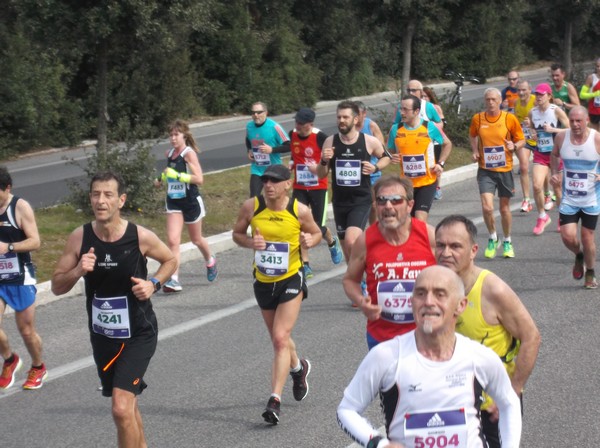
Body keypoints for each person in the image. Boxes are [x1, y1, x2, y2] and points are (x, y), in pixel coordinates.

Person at [51, 171, 177, 448]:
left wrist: (153, 284)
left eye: (108, 195)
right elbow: (56, 286)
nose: (101, 200)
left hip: (138, 333)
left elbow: (170, 260)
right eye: (96, 194)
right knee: (127, 406)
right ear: (90, 199)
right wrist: (76, 271)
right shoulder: (80, 237)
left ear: (121, 200)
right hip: (104, 337)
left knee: (120, 408)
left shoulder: (138, 236)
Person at [337, 265, 522, 448]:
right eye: (420, 293)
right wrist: (379, 444)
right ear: (411, 302)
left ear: (461, 305)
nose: (428, 301)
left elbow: (509, 402)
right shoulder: (387, 356)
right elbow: (347, 410)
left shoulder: (478, 357)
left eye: (440, 294)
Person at [435, 214, 541, 448]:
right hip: (450, 405)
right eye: (440, 245)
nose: (446, 252)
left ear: (473, 250)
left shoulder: (493, 289)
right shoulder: (433, 286)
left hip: (491, 408)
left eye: (455, 246)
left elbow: (531, 336)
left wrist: (511, 393)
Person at [231, 164, 322, 425]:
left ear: (287, 184)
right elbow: (236, 234)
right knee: (279, 338)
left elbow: (315, 232)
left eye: (274, 181)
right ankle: (298, 368)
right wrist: (250, 242)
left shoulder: (299, 210)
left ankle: (274, 400)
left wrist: (310, 241)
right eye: (265, 181)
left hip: (290, 279)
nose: (268, 185)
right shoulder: (252, 207)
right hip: (263, 281)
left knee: (281, 338)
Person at [342, 175, 436, 350]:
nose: (388, 206)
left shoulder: (429, 236)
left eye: (396, 200)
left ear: (410, 205)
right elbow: (350, 280)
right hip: (382, 337)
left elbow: (455, 277)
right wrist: (361, 301)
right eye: (381, 200)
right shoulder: (365, 240)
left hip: (426, 335)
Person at [316, 100, 387, 264]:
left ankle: (365, 270)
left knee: (351, 241)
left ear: (355, 120)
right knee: (347, 248)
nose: (341, 120)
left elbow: (386, 157)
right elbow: (321, 174)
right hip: (340, 202)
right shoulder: (330, 142)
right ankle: (358, 276)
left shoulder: (368, 141)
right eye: (339, 117)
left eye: (345, 117)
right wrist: (324, 161)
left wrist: (375, 168)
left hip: (361, 199)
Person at [155, 119, 217, 293]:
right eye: (171, 135)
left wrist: (179, 176)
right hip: (174, 200)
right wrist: (161, 179)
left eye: (176, 134)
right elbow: (169, 172)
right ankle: (173, 279)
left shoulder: (188, 153)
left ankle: (210, 260)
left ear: (184, 135)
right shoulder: (169, 153)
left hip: (190, 201)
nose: (173, 138)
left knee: (196, 239)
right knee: (173, 241)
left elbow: (199, 179)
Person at [0, 167, 46, 390]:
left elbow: (35, 242)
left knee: (26, 330)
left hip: (20, 276)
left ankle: (38, 366)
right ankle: (9, 359)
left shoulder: (19, 207)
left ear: (7, 188)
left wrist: (7, 247)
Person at [470, 88, 525, 259]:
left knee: (504, 209)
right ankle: (493, 237)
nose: (490, 102)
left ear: (500, 101)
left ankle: (507, 240)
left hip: (505, 169)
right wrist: (474, 151)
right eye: (487, 99)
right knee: (487, 207)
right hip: (486, 170)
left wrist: (514, 146)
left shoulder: (509, 118)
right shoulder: (478, 119)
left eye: (494, 99)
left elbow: (521, 139)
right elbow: (472, 135)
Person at [288, 107, 343, 278]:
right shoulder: (293, 135)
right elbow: (293, 152)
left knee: (316, 227)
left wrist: (320, 166)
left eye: (301, 123)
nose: (297, 125)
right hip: (299, 186)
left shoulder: (321, 137)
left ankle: (332, 242)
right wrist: (291, 163)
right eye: (296, 122)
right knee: (299, 225)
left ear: (310, 124)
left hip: (318, 187)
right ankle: (305, 265)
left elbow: (332, 156)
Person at [551, 106, 600, 289]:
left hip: (591, 199)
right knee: (567, 237)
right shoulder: (562, 137)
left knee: (588, 238)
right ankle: (579, 255)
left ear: (587, 120)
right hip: (569, 199)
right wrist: (555, 172)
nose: (575, 124)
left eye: (579, 120)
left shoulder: (596, 139)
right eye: (572, 121)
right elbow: (554, 154)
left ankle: (591, 272)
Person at [387, 95, 452, 223]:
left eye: (406, 109)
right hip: (406, 184)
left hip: (427, 182)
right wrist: (392, 157)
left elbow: (447, 144)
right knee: (406, 221)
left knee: (420, 219)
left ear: (416, 111)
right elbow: (390, 151)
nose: (402, 112)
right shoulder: (395, 129)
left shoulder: (430, 127)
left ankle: (425, 242)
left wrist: (441, 163)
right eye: (401, 109)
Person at [528, 83, 569, 235]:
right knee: (537, 185)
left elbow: (571, 128)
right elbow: (532, 127)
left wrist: (554, 130)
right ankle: (542, 216)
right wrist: (533, 133)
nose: (538, 97)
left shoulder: (556, 111)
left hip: (557, 154)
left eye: (541, 94)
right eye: (536, 94)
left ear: (549, 96)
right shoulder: (532, 112)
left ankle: (561, 217)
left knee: (557, 188)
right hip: (541, 153)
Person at [245, 101, 290, 197]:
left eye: (259, 112)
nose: (256, 115)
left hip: (274, 169)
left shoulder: (274, 127)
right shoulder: (249, 126)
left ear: (266, 112)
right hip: (257, 169)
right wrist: (249, 150)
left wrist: (271, 150)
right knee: (254, 198)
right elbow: (248, 138)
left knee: (275, 197)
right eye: (253, 113)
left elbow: (289, 146)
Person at [354, 101, 388, 224]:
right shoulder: (348, 127)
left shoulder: (371, 126)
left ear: (364, 113)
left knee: (373, 205)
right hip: (354, 173)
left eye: (358, 114)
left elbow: (383, 150)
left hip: (372, 173)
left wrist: (375, 165)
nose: (355, 117)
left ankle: (374, 230)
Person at [514, 79, 536, 212]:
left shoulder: (536, 100)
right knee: (523, 167)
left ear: (530, 90)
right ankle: (526, 199)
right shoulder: (516, 103)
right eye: (519, 90)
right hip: (525, 138)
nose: (521, 93)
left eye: (524, 90)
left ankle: (547, 193)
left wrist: (532, 121)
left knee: (544, 167)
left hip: (539, 138)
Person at [422, 86, 447, 200]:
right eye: (421, 96)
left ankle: (437, 188)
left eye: (425, 96)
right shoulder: (415, 108)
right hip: (420, 142)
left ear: (430, 97)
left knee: (435, 164)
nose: (423, 98)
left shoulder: (435, 107)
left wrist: (430, 128)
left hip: (435, 141)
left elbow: (442, 124)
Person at [579, 57, 600, 131]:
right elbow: (582, 95)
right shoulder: (591, 78)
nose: (599, 68)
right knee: (595, 134)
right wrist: (594, 94)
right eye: (597, 66)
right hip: (594, 110)